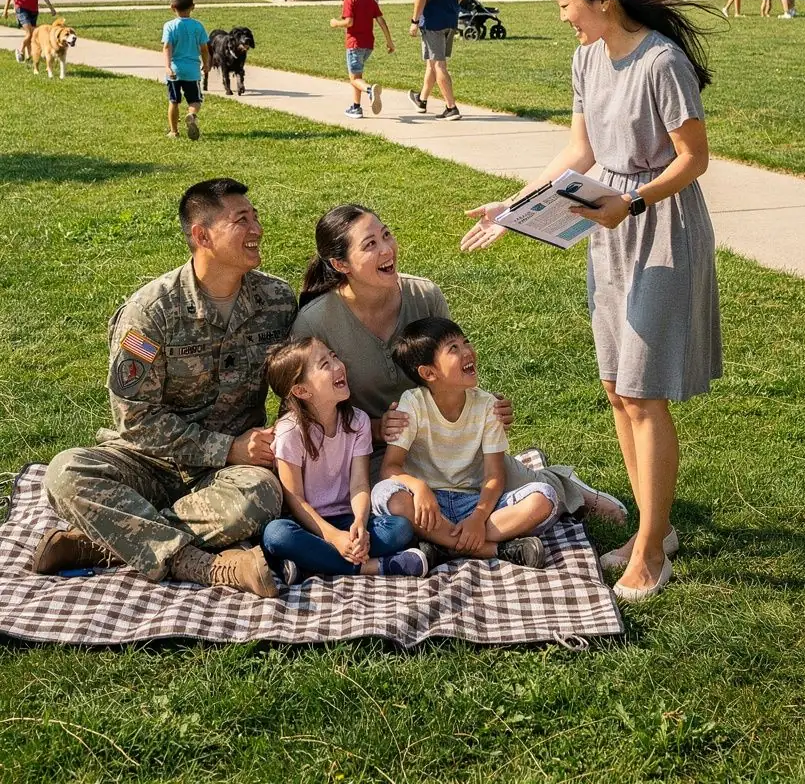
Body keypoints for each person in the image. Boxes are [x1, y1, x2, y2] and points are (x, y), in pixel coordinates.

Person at [462, 0, 721, 601]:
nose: (562, 17)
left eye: (564, 4)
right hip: (606, 230)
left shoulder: (662, 61)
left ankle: (653, 552)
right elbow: (579, 151)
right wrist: (515, 205)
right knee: (615, 388)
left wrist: (630, 201)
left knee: (643, 391)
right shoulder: (585, 56)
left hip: (659, 229)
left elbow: (694, 159)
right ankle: (650, 532)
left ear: (601, 1)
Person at [33, 178, 298, 597]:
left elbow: (294, 388)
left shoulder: (278, 301)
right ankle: (204, 566)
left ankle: (101, 542)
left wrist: (272, 441)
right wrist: (225, 447)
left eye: (256, 217)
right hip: (149, 462)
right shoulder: (150, 312)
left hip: (226, 474)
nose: (257, 229)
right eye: (241, 220)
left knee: (262, 495)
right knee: (65, 473)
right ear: (201, 235)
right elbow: (134, 419)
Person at [291, 205, 590, 511]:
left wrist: (487, 410)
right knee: (394, 506)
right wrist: (376, 428)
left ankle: (569, 488)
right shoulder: (315, 323)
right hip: (374, 454)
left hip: (447, 442)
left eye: (386, 235)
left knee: (532, 489)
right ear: (341, 264)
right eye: (370, 245)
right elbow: (304, 414)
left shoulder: (425, 295)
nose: (387, 249)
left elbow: (453, 373)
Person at [371, 317, 625, 569]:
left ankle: (443, 544)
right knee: (387, 495)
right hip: (429, 507)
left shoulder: (488, 406)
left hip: (474, 501)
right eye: (454, 348)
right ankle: (490, 550)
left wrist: (478, 518)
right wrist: (419, 488)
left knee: (544, 498)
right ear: (429, 373)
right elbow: (390, 468)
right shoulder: (412, 404)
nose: (467, 351)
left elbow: (494, 475)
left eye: (466, 342)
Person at [260, 336, 428, 582]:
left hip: (347, 520)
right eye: (325, 365)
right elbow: (295, 499)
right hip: (309, 525)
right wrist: (333, 538)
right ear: (302, 390)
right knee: (276, 535)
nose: (338, 366)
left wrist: (360, 523)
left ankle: (311, 565)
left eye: (334, 356)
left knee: (400, 528)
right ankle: (373, 567)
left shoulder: (358, 422)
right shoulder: (289, 432)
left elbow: (360, 485)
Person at [408, 0, 468, 122]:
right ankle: (422, 100)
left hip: (432, 20)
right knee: (432, 62)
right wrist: (452, 5)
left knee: (439, 64)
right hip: (450, 18)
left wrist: (414, 20)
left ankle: (451, 107)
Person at [329, 0, 394, 118]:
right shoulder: (369, 0)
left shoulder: (350, 0)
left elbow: (349, 22)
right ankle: (356, 107)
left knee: (354, 79)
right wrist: (389, 41)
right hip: (368, 45)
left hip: (354, 44)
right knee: (357, 76)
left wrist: (335, 23)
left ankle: (370, 90)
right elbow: (381, 22)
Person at [162, 0, 209, 140]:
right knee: (195, 100)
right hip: (192, 71)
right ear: (193, 6)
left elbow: (167, 47)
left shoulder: (169, 26)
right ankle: (191, 114)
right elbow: (204, 49)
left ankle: (174, 131)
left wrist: (168, 66)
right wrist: (206, 64)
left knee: (173, 101)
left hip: (175, 70)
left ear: (172, 7)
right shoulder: (198, 26)